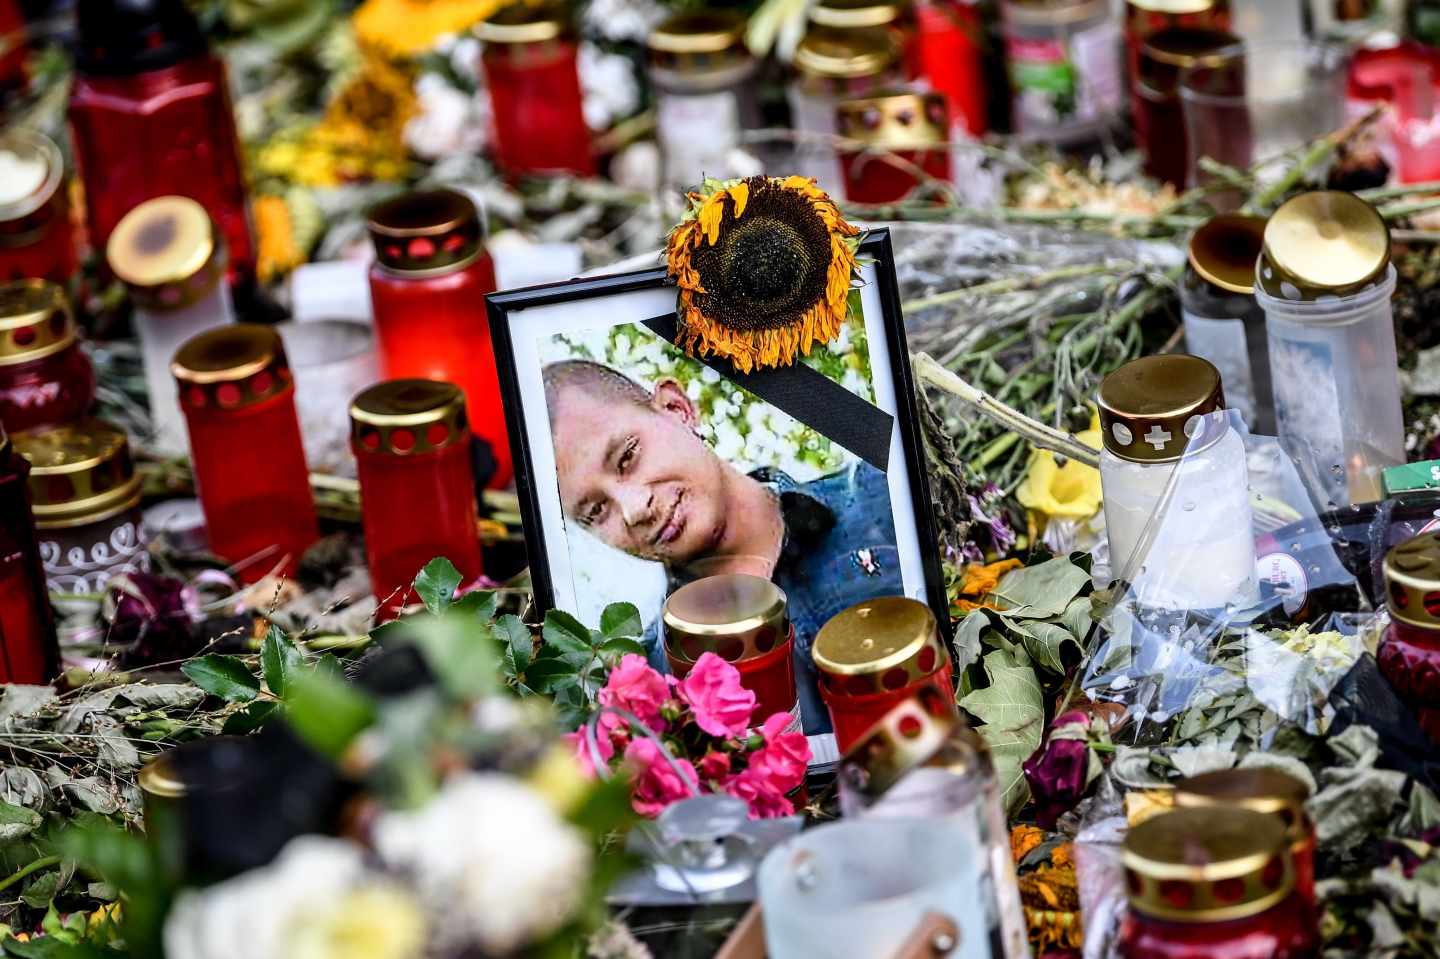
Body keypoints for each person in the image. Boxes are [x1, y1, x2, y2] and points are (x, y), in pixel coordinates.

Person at [544, 358, 903, 733]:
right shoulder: (656, 694)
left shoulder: (884, 498)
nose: (634, 510)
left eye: (627, 457)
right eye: (597, 511)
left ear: (676, 409)